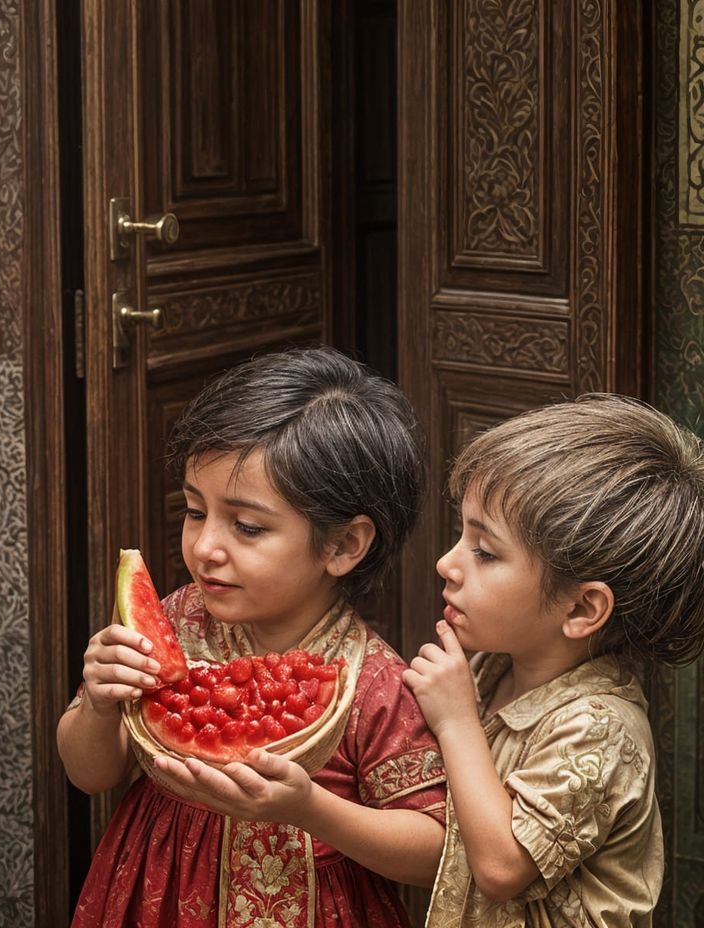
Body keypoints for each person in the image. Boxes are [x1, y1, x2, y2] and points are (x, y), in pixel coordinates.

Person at [59, 348, 447, 927]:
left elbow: (436, 850)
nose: (205, 547)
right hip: (153, 896)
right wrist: (96, 703)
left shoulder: (374, 682)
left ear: (343, 545)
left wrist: (311, 809)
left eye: (246, 526)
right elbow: (89, 774)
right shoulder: (173, 619)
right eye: (195, 511)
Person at [403, 395, 704, 924]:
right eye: (462, 534)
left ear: (583, 607)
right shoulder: (491, 666)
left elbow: (500, 867)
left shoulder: (601, 728)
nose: (446, 563)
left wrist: (454, 721)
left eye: (486, 551)